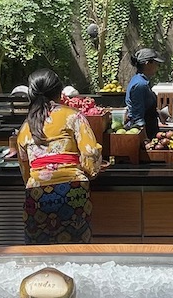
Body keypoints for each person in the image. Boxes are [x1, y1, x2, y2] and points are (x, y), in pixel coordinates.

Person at [14, 67, 105, 244]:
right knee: (76, 251)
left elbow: (24, 167)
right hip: (73, 189)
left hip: (36, 192)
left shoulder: (26, 126)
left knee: (40, 250)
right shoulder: (73, 116)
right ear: (59, 92)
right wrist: (89, 173)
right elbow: (90, 152)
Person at [125, 47, 162, 140]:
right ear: (147, 64)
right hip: (146, 134)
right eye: (156, 63)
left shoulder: (142, 81)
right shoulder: (140, 85)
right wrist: (145, 141)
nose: (157, 67)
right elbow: (138, 117)